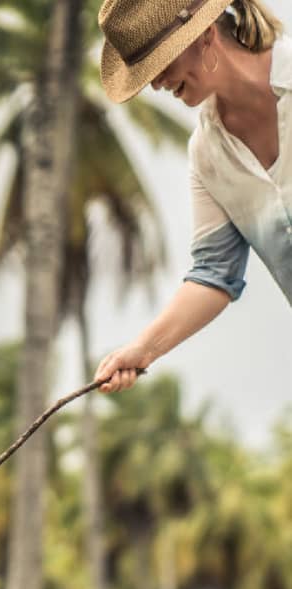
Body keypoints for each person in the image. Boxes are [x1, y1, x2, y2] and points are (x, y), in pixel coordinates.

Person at [94, 0, 287, 393]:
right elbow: (214, 275)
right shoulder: (207, 154)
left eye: (160, 64)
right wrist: (142, 349)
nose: (155, 83)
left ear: (205, 35)